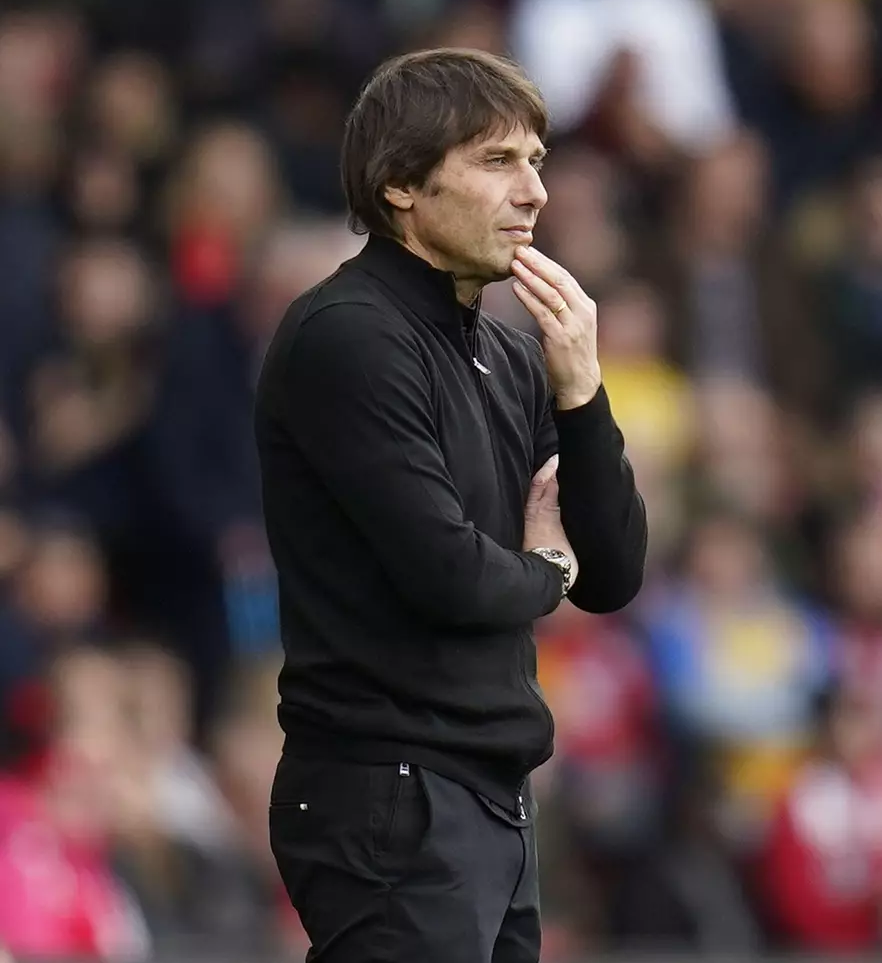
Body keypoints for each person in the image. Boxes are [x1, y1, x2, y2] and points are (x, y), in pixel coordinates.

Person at [253, 48, 648, 963]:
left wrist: (584, 394)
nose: (535, 192)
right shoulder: (347, 336)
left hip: (487, 800)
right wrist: (544, 564)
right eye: (497, 161)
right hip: (388, 795)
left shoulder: (511, 357)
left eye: (538, 161)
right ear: (401, 185)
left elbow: (614, 573)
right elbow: (455, 576)